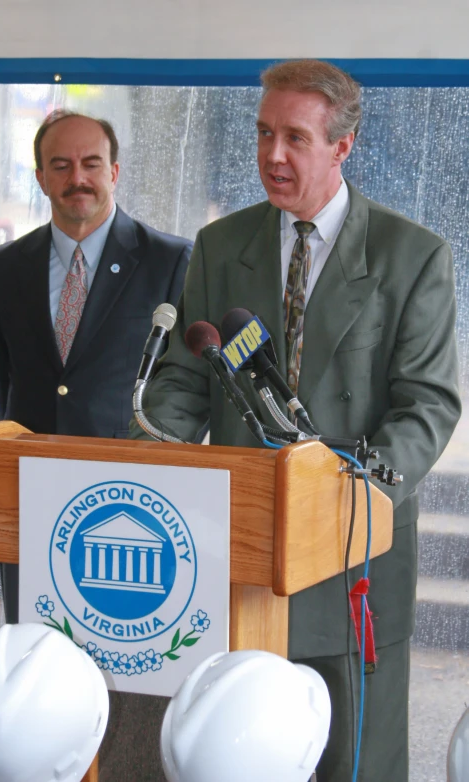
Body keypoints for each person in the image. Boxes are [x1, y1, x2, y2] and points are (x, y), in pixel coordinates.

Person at [130, 60, 461, 781]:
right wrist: (145, 459)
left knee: (357, 766)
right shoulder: (221, 246)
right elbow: (187, 379)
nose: (272, 156)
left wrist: (352, 491)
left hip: (353, 558)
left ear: (344, 146)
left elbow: (429, 403)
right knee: (237, 757)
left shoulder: (415, 257)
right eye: (262, 134)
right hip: (239, 556)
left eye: (295, 138)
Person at [0, 110, 191, 623]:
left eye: (91, 163)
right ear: (41, 178)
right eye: (61, 165)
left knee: (125, 646)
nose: (78, 179)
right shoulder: (4, 267)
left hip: (132, 497)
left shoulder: (172, 260)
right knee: (32, 646)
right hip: (31, 489)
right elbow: (2, 373)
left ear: (114, 172)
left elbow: (180, 384)